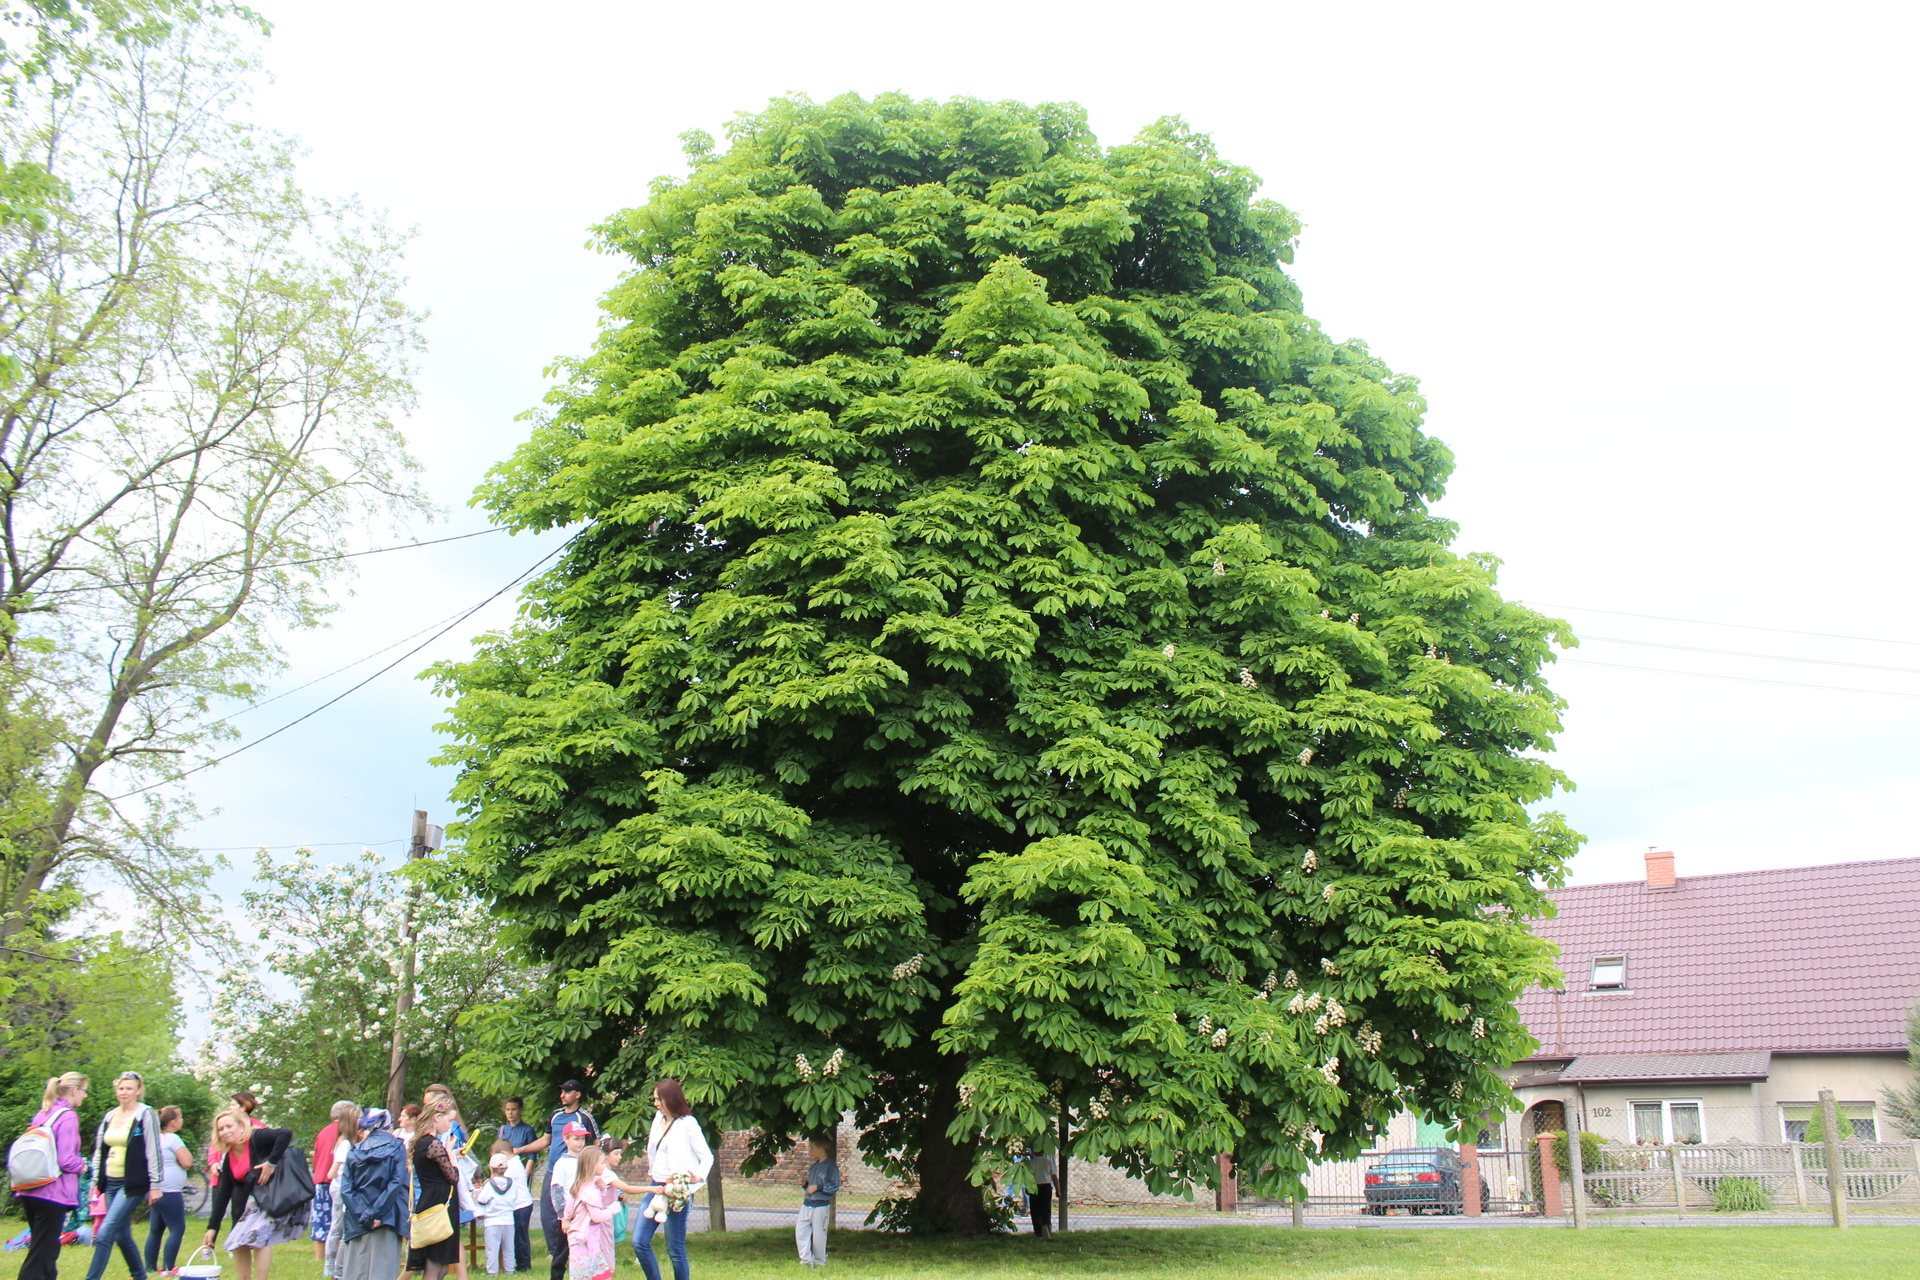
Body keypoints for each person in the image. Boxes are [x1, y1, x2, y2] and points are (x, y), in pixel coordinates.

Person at [204, 1107, 307, 1280]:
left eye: (229, 1126)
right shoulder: (229, 1157)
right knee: (236, 1241)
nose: (225, 1131)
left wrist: (271, 1163)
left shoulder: (255, 1138)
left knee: (258, 1236)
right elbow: (224, 1192)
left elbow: (285, 1134)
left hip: (280, 1196)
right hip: (259, 1202)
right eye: (221, 1129)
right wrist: (212, 1227)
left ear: (241, 1126)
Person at [84, 1071, 164, 1280]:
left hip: (132, 1184)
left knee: (104, 1234)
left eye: (129, 1088)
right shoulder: (110, 1116)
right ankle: (140, 1275)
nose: (124, 1092)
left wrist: (155, 1184)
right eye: (121, 1088)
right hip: (110, 1181)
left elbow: (153, 1149)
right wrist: (94, 1182)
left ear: (138, 1091)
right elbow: (99, 1151)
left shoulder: (145, 1114)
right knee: (121, 1234)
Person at [632, 1080, 711, 1280]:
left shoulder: (687, 1123)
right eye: (655, 1099)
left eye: (659, 1099)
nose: (656, 1104)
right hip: (656, 1187)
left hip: (677, 1192)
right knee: (639, 1241)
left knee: (675, 1250)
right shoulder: (659, 1118)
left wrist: (698, 1176)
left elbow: (707, 1156)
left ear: (671, 1099)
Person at [19, 1072, 89, 1280]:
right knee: (41, 1256)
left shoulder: (44, 1113)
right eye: (84, 1091)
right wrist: (82, 1165)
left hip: (30, 1188)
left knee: (47, 1253)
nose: (85, 1096)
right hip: (52, 1193)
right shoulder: (67, 1116)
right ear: (75, 1091)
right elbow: (66, 1160)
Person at [531, 1083, 597, 1280]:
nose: (563, 1095)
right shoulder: (556, 1116)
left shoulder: (584, 1117)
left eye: (567, 1091)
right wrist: (518, 1150)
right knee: (550, 1219)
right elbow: (545, 1141)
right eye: (561, 1091)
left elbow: (596, 1144)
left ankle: (583, 1268)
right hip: (557, 1175)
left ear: (577, 1095)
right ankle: (558, 1263)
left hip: (578, 1184)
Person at [335, 1110, 408, 1280]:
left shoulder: (355, 1150)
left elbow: (346, 1188)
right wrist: (375, 1213)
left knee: (356, 1270)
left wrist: (364, 1214)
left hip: (357, 1219)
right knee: (383, 1270)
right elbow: (396, 1183)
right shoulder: (398, 1147)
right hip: (387, 1216)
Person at [405, 1103, 461, 1280]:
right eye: (449, 1120)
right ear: (437, 1118)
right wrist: (451, 1154)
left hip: (432, 1201)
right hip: (439, 1205)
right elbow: (453, 1176)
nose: (450, 1125)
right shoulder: (433, 1144)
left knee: (442, 1265)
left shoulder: (422, 1142)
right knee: (435, 1263)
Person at [143, 1106, 195, 1275]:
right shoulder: (172, 1138)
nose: (182, 1121)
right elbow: (187, 1161)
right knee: (177, 1228)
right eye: (180, 1118)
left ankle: (150, 1267)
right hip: (170, 1191)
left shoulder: (154, 1138)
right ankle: (168, 1267)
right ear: (173, 1122)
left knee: (156, 1230)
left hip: (155, 1190)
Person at [558, 1148, 616, 1280]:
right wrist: (613, 1209)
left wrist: (601, 1189)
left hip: (589, 1241)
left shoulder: (582, 1186)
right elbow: (596, 1216)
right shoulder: (588, 1191)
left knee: (599, 1275)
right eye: (601, 1163)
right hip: (584, 1241)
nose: (604, 1166)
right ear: (592, 1165)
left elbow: (568, 1212)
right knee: (584, 1275)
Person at [496, 1100, 539, 1273]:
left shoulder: (527, 1130)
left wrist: (524, 1175)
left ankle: (523, 1264)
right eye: (507, 1110)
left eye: (513, 1110)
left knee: (520, 1228)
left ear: (520, 1111)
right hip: (504, 1174)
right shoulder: (502, 1130)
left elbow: (531, 1156)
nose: (510, 1113)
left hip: (518, 1173)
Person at [311, 1101, 354, 1265]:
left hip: (321, 1178)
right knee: (338, 1220)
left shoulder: (323, 1132)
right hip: (337, 1179)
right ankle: (335, 1257)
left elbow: (316, 1156)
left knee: (321, 1219)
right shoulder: (345, 1134)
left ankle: (319, 1256)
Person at [473, 1153, 528, 1275]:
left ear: (490, 1168)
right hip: (508, 1220)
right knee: (509, 1248)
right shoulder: (512, 1184)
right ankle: (509, 1270)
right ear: (506, 1168)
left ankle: (492, 1272)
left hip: (492, 1221)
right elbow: (514, 1198)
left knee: (492, 1249)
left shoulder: (489, 1185)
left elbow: (482, 1199)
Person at [794, 1137, 839, 1268]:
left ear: (821, 1149)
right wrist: (806, 1185)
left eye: (812, 1148)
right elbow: (812, 1187)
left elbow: (834, 1186)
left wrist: (818, 1187)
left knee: (819, 1234)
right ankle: (806, 1260)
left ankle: (820, 1261)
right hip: (807, 1203)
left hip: (821, 1205)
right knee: (801, 1231)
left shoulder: (831, 1166)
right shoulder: (814, 1166)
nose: (810, 1151)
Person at [1026, 1146, 1055, 1240]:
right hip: (1046, 1186)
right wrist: (1058, 1190)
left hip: (1034, 1187)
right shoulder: (1048, 1162)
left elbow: (1027, 1177)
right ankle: (1046, 1225)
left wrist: (1027, 1187)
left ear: (1033, 1151)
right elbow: (1054, 1177)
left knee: (1035, 1210)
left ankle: (1038, 1232)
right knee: (1046, 1209)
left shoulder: (1030, 1163)